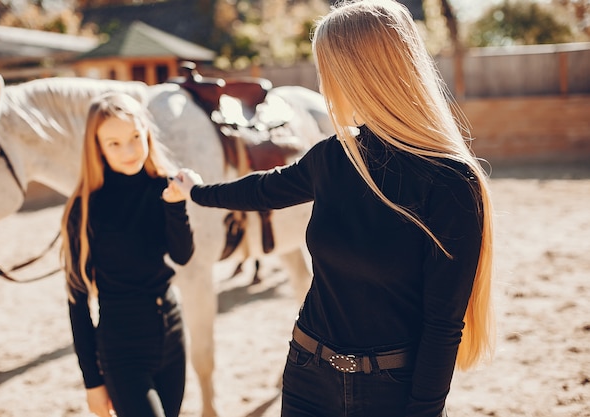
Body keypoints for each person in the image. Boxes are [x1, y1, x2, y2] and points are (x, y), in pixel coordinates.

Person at [168, 1, 495, 416]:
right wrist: (198, 192)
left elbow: (443, 326)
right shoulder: (335, 157)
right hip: (306, 373)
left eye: (329, 69)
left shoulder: (451, 182)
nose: (325, 84)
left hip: (390, 389)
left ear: (363, 73)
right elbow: (265, 190)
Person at [60, 92, 194, 417]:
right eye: (114, 143)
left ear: (146, 131)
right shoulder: (84, 207)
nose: (129, 151)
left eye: (135, 137)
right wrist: (92, 383)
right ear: (97, 146)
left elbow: (182, 255)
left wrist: (177, 206)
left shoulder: (163, 187)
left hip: (173, 334)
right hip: (122, 348)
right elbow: (77, 301)